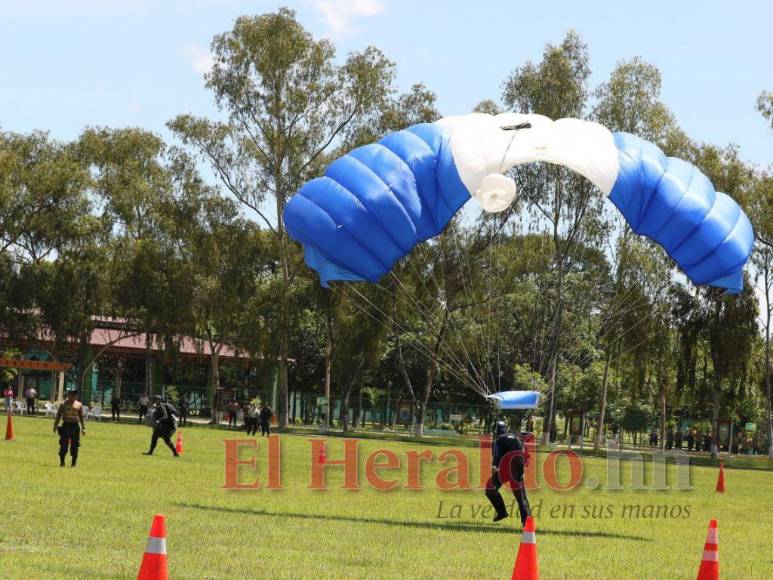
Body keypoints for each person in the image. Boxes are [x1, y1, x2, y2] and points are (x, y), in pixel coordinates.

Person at [485, 421, 530, 526]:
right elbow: (525, 451)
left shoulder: (498, 440)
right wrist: (521, 466)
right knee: (520, 495)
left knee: (490, 489)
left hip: (505, 468)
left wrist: (494, 467)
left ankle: (501, 512)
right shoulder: (516, 436)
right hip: (517, 467)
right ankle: (527, 521)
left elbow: (497, 455)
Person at [52, 388, 86, 467]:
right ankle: (62, 462)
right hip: (66, 426)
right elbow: (58, 415)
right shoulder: (63, 404)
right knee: (63, 444)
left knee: (75, 445)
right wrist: (55, 425)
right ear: (68, 395)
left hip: (75, 427)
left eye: (75, 394)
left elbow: (81, 416)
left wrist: (83, 427)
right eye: (72, 394)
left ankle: (73, 463)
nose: (74, 396)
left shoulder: (79, 404)